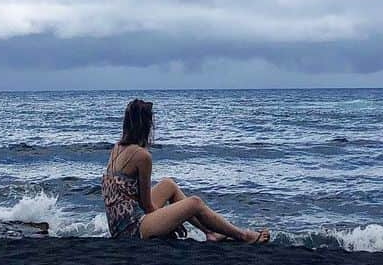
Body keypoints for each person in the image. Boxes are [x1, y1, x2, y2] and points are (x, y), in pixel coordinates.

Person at [102, 98, 270, 243]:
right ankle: (243, 235)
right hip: (132, 228)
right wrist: (171, 220)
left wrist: (169, 216)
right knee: (194, 203)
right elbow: (147, 206)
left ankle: (210, 233)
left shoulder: (117, 147)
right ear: (146, 125)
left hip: (118, 223)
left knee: (169, 184)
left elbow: (131, 197)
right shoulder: (142, 156)